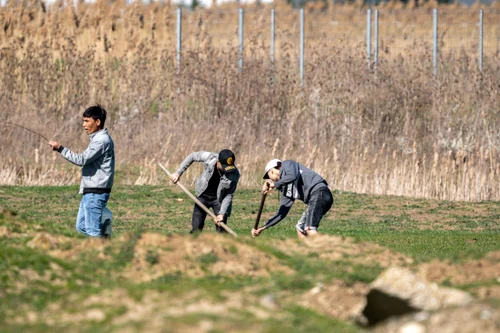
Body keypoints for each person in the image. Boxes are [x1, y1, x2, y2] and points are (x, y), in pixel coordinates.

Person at [48, 105, 115, 238]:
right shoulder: (98, 139)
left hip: (95, 193)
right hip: (90, 191)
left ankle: (102, 252)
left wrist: (60, 149)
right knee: (81, 226)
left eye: (87, 121)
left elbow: (81, 160)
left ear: (97, 122)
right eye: (83, 121)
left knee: (92, 231)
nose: (84, 125)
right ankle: (105, 240)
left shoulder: (101, 141)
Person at [252, 159, 333, 239]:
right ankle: (309, 251)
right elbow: (281, 212)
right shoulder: (286, 189)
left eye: (268, 175)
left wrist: (274, 184)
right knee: (300, 228)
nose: (270, 179)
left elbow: (292, 176)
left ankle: (331, 249)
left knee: (309, 228)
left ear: (273, 169)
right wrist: (262, 228)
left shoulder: (287, 164)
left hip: (320, 193)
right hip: (315, 199)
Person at [170, 150, 240, 233]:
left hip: (219, 200)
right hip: (202, 195)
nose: (226, 170)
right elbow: (192, 156)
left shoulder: (234, 173)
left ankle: (222, 245)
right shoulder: (210, 158)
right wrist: (178, 173)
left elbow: (228, 194)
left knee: (221, 229)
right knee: (196, 228)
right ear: (218, 161)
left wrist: (221, 213)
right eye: (224, 167)